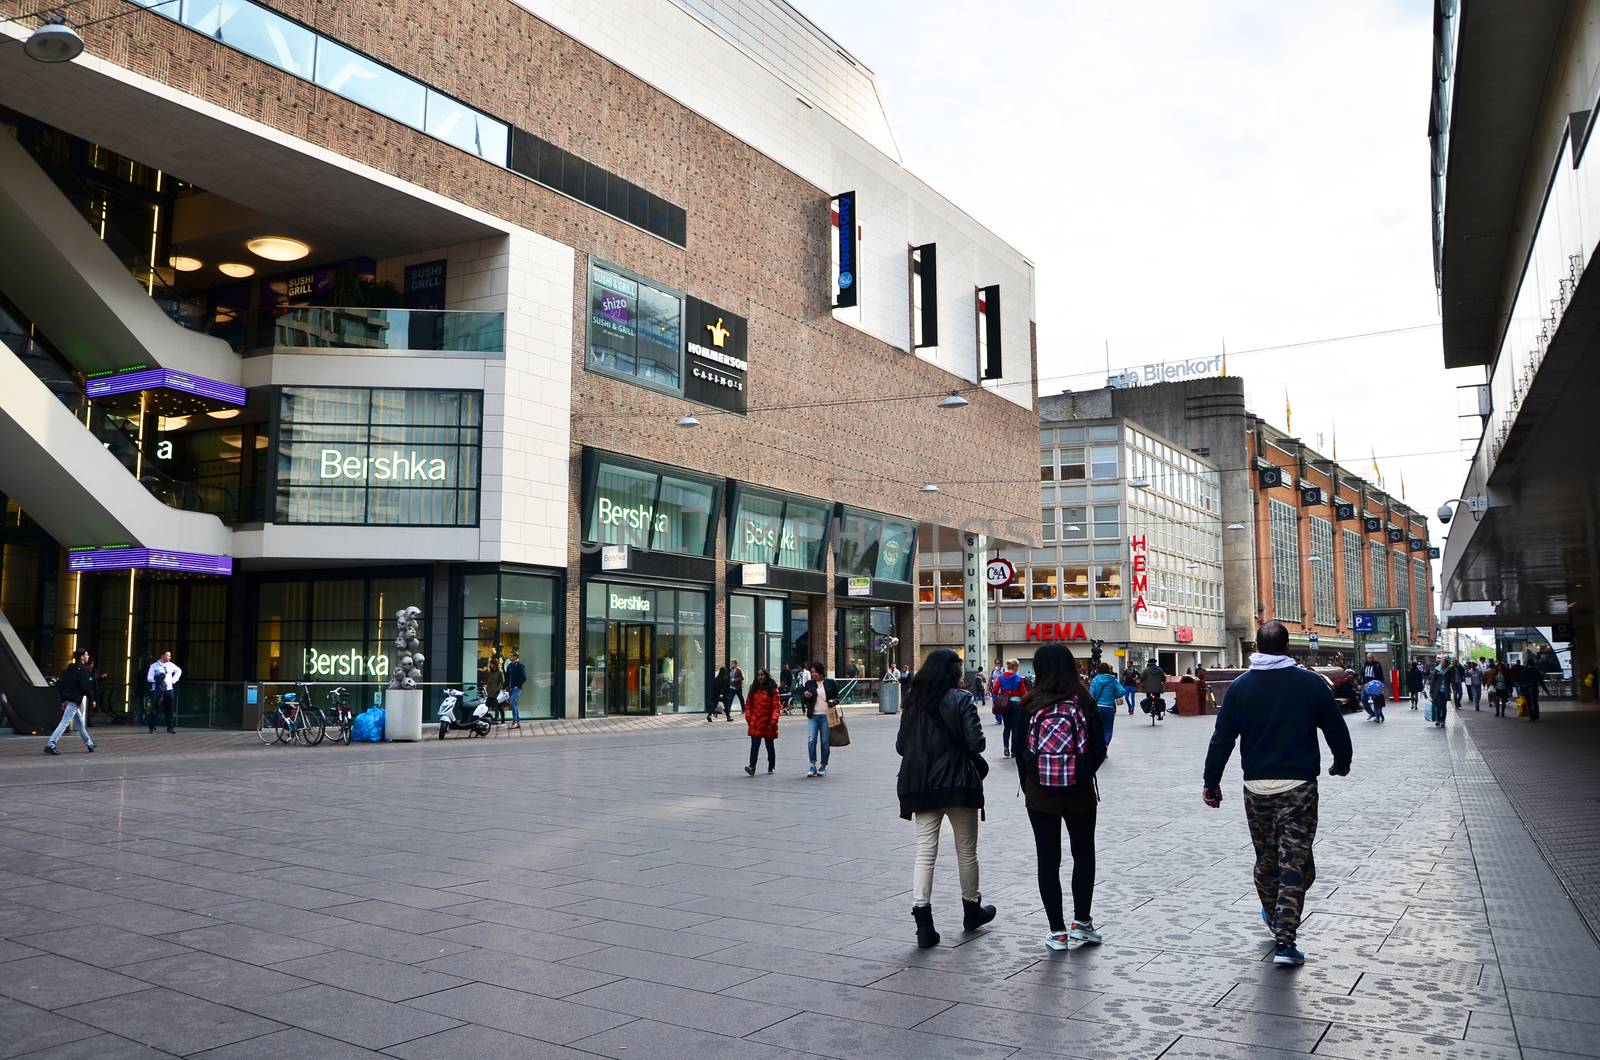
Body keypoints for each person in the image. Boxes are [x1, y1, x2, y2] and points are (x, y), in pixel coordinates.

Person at [1203, 621, 1352, 967]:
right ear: (1288, 647)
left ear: (1256, 645)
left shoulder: (1240, 688)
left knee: (1267, 859)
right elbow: (1335, 727)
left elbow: (1222, 738)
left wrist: (1211, 782)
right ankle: (1284, 941)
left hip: (1255, 789)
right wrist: (1340, 762)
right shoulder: (1310, 684)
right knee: (1295, 864)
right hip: (1298, 788)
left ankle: (1274, 916)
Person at [896, 648, 994, 947]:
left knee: (925, 853)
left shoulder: (913, 701)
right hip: (957, 783)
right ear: (952, 672)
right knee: (966, 851)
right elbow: (975, 743)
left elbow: (901, 747)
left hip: (921, 787)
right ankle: (972, 910)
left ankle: (923, 923)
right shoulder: (962, 699)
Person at [1015, 642, 1107, 950]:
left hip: (1040, 795)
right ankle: (1082, 922)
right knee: (1083, 854)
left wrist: (1033, 780)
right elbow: (1099, 749)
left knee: (1048, 859)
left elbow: (1020, 751)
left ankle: (1056, 931)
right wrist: (1080, 772)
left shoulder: (1028, 704)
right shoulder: (1083, 700)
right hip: (1079, 793)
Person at [44, 649, 96, 755]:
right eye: (86, 655)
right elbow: (85, 687)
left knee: (80, 723)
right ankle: (51, 744)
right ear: (81, 657)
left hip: (69, 699)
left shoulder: (69, 669)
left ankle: (89, 743)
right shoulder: (83, 670)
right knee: (64, 723)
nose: (88, 656)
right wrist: (92, 699)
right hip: (74, 700)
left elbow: (62, 685)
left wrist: (64, 700)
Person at [801, 662, 838, 777]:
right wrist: (806, 697)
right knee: (811, 740)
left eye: (816, 672)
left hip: (826, 716)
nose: (814, 674)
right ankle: (812, 765)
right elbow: (805, 700)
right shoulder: (809, 683)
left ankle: (823, 765)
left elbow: (837, 698)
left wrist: (832, 701)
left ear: (821, 672)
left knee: (825, 741)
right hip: (813, 716)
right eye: (812, 672)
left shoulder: (830, 683)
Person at [743, 669, 781, 775]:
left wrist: (773, 720)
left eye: (762, 675)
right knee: (754, 745)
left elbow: (776, 707)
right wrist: (748, 717)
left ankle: (771, 766)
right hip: (755, 721)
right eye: (758, 675)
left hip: (768, 722)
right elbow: (748, 704)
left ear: (766, 676)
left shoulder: (773, 690)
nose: (760, 677)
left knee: (769, 745)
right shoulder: (753, 689)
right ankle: (752, 766)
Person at [991, 660, 1026, 758]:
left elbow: (994, 690)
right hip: (1016, 704)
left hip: (1004, 704)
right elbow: (1024, 694)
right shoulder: (1019, 678)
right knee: (1015, 728)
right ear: (1015, 667)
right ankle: (1014, 750)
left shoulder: (1001, 677)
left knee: (1007, 727)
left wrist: (1003, 694)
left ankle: (1005, 747)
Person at [145, 650, 181, 734]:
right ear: (162, 656)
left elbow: (179, 670)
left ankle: (170, 728)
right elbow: (149, 678)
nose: (170, 657)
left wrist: (174, 680)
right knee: (154, 708)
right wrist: (157, 679)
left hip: (168, 689)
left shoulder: (171, 665)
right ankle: (152, 728)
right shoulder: (154, 666)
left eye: (170, 656)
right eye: (168, 655)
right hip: (157, 690)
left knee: (169, 709)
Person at [1088, 662, 1121, 750]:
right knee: (1108, 729)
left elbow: (1091, 695)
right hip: (1109, 707)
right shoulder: (1113, 680)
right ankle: (1105, 745)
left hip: (1097, 707)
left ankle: (1099, 746)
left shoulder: (1095, 680)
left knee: (1098, 728)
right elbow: (1122, 691)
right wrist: (1113, 696)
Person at [503, 650, 526, 730]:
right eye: (510, 656)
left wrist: (517, 686)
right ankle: (518, 721)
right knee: (514, 704)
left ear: (515, 657)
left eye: (511, 656)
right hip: (510, 688)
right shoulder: (509, 666)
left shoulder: (520, 665)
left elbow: (524, 677)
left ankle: (515, 722)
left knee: (513, 702)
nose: (510, 657)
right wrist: (504, 687)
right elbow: (507, 678)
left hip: (517, 688)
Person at [483, 655, 506, 724]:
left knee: (500, 708)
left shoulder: (500, 672)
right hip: (489, 693)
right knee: (486, 707)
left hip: (496, 693)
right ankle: (491, 719)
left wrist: (499, 690)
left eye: (492, 664)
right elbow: (488, 681)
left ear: (495, 665)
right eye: (490, 664)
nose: (490, 665)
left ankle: (503, 721)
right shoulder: (490, 672)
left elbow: (503, 682)